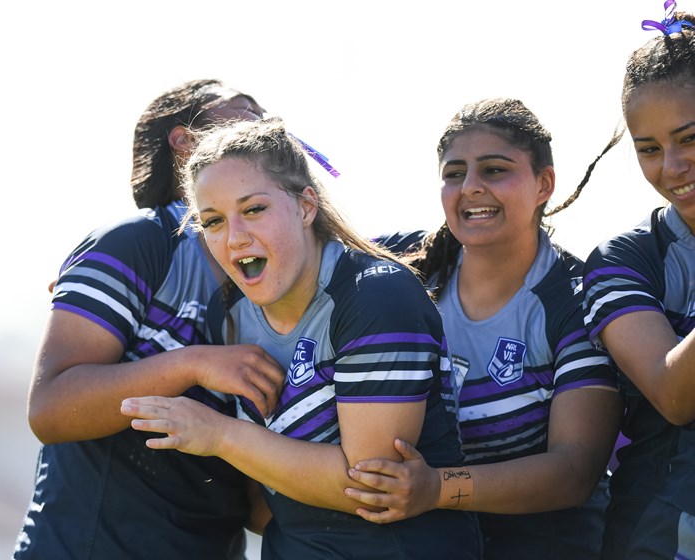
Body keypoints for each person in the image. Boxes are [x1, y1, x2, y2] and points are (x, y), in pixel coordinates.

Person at [120, 117, 482, 559]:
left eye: (254, 209)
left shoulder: (375, 294)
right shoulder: (229, 315)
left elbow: (370, 486)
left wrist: (219, 436)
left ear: (306, 205)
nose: (235, 237)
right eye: (213, 221)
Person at [13, 79, 285, 560]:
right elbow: (50, 409)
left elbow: (252, 506)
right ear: (184, 142)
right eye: (247, 111)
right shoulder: (135, 243)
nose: (268, 124)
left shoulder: (275, 282)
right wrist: (194, 365)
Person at [343, 98, 624, 559]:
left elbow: (574, 471)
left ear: (543, 184)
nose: (470, 187)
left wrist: (436, 488)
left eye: (494, 170)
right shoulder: (400, 271)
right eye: (454, 173)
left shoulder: (577, 300)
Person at [581, 5, 695, 558]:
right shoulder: (624, 258)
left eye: (689, 138)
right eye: (648, 149)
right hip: (658, 538)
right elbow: (674, 395)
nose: (671, 166)